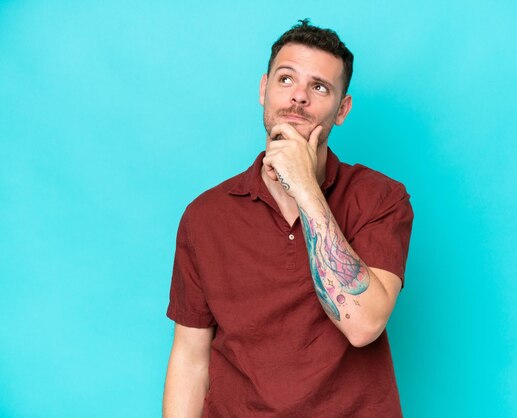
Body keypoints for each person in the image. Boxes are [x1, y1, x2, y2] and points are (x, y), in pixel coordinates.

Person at [163, 19, 414, 417]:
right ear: (264, 90)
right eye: (286, 79)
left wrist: (306, 189)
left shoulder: (380, 198)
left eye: (319, 87)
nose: (298, 97)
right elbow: (191, 360)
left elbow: (362, 325)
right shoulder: (204, 216)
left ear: (341, 109)